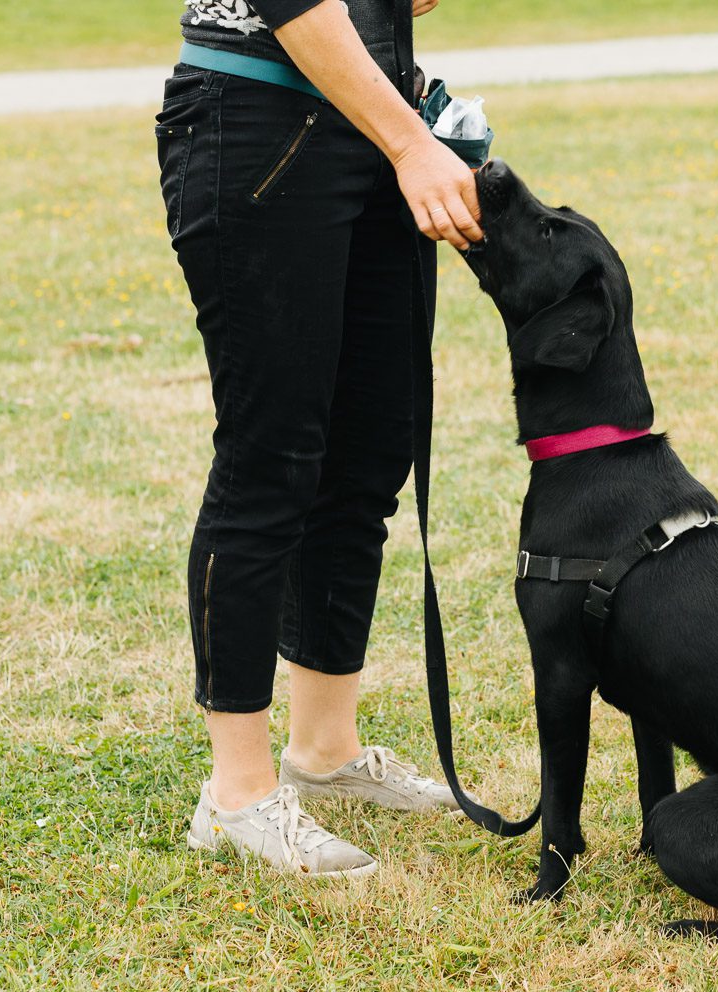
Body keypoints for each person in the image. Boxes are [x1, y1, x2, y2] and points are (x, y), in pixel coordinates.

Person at [155, 0, 483, 877]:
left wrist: (406, 134)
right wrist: (415, 146)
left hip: (374, 120)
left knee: (369, 456)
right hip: (259, 118)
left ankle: (324, 753)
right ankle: (236, 795)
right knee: (271, 462)